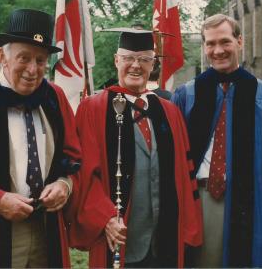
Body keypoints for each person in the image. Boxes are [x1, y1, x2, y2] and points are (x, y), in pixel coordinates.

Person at [67, 29, 202, 268]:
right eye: (128, 58)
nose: (135, 66)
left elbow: (184, 174)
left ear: (153, 64)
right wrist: (104, 218)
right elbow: (85, 174)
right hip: (119, 238)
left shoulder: (169, 112)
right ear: (116, 60)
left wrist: (189, 228)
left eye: (144, 59)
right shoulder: (93, 109)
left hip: (165, 239)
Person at [0, 9, 81, 268]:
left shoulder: (53, 97)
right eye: (23, 58)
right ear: (2, 56)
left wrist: (64, 184)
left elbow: (72, 157)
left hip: (45, 230)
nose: (32, 69)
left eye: (40, 60)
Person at [172, 14, 262, 268]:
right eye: (210, 43)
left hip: (251, 198)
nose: (218, 51)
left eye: (225, 42)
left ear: (240, 41)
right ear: (204, 46)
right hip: (201, 198)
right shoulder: (187, 94)